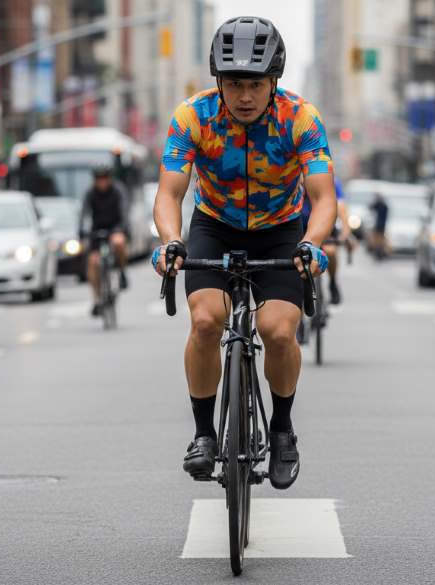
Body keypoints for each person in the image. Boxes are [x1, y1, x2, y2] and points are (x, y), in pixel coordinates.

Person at [151, 16, 337, 490]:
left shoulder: (301, 118)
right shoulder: (192, 117)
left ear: (273, 80)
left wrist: (311, 244)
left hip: (281, 230)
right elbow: (170, 193)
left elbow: (323, 197)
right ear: (218, 81)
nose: (245, 96)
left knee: (277, 330)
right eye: (234, 84)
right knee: (207, 320)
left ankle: (282, 429)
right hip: (215, 224)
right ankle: (203, 434)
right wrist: (172, 240)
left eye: (255, 84)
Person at [79, 166, 129, 316]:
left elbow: (124, 212)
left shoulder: (118, 191)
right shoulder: (90, 193)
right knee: (93, 262)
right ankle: (97, 299)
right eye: (99, 180)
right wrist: (82, 231)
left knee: (119, 242)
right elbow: (84, 214)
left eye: (104, 179)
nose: (102, 182)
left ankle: (121, 272)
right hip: (97, 229)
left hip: (115, 227)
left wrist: (122, 228)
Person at [302, 176, 353, 304]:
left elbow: (341, 208)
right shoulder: (294, 181)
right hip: (301, 225)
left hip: (325, 225)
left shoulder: (329, 181)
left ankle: (333, 282)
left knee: (330, 251)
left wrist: (345, 233)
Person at [369, 193, 390, 260]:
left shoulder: (382, 205)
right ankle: (380, 251)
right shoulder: (384, 205)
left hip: (380, 225)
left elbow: (371, 207)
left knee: (379, 239)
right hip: (381, 225)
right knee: (380, 239)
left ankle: (380, 250)